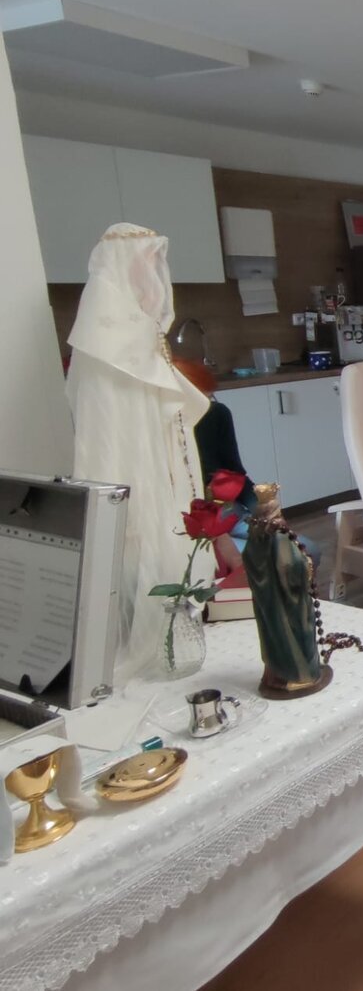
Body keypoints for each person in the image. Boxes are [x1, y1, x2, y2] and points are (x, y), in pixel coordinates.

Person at [67, 223, 211, 683]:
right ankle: (156, 638)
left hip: (165, 464)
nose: (155, 279)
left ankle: (183, 630)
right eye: (146, 267)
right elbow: (110, 429)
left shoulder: (142, 336)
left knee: (176, 541)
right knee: (141, 548)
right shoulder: (105, 341)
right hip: (132, 466)